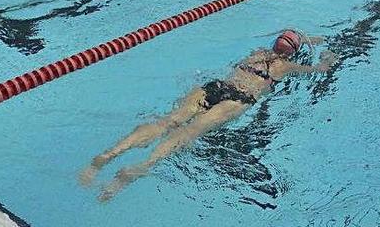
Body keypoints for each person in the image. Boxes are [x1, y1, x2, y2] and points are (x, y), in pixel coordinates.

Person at [80, 30, 338, 201]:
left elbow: (286, 34)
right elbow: (321, 68)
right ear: (292, 52)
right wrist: (327, 54)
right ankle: (140, 168)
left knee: (167, 122)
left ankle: (108, 155)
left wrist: (300, 38)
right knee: (187, 133)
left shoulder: (257, 52)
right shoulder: (286, 66)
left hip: (216, 86)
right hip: (238, 99)